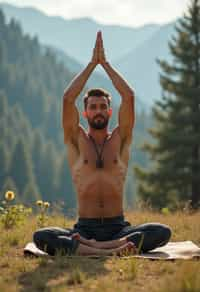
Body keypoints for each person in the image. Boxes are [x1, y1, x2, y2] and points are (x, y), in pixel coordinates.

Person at [33, 31, 171, 256]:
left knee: (161, 231)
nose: (98, 111)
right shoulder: (75, 139)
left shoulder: (121, 138)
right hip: (84, 228)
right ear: (85, 113)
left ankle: (91, 250)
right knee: (42, 236)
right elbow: (68, 98)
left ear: (109, 111)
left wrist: (104, 64)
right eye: (93, 107)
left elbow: (129, 97)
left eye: (102, 107)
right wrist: (91, 64)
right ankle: (109, 250)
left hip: (118, 228)